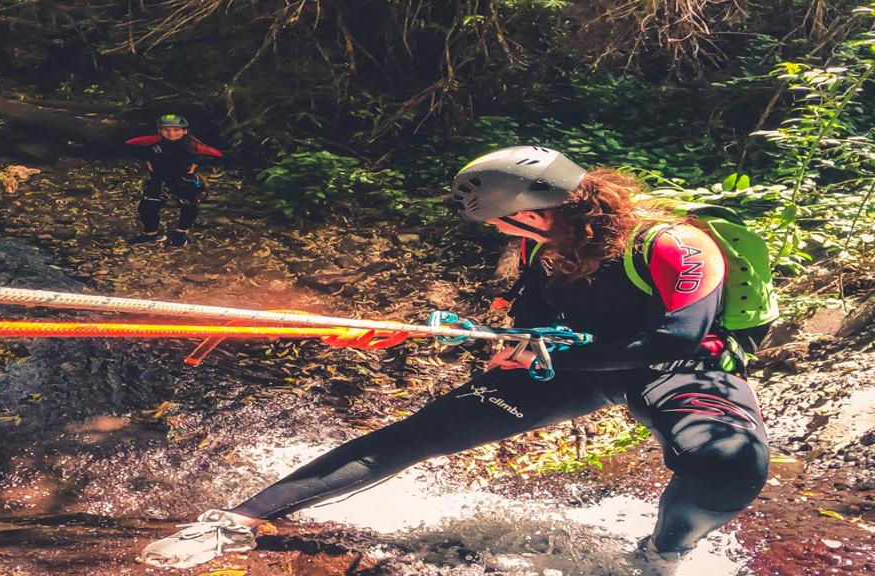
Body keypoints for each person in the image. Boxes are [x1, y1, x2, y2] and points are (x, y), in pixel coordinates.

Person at [139, 146, 773, 573]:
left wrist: (541, 359)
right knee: (422, 433)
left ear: (532, 210)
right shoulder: (541, 249)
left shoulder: (674, 245)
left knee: (726, 462)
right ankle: (235, 521)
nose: (501, 232)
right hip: (564, 365)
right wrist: (424, 335)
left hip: (677, 370)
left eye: (503, 221)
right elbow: (521, 325)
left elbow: (674, 341)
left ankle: (660, 555)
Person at [125, 114, 222, 247]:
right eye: (167, 130)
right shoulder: (154, 143)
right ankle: (151, 234)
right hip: (159, 179)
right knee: (147, 206)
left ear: (184, 131)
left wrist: (194, 166)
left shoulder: (192, 146)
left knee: (189, 205)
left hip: (184, 179)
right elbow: (135, 147)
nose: (171, 133)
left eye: (176, 130)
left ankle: (181, 233)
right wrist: (148, 162)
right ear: (160, 131)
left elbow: (215, 155)